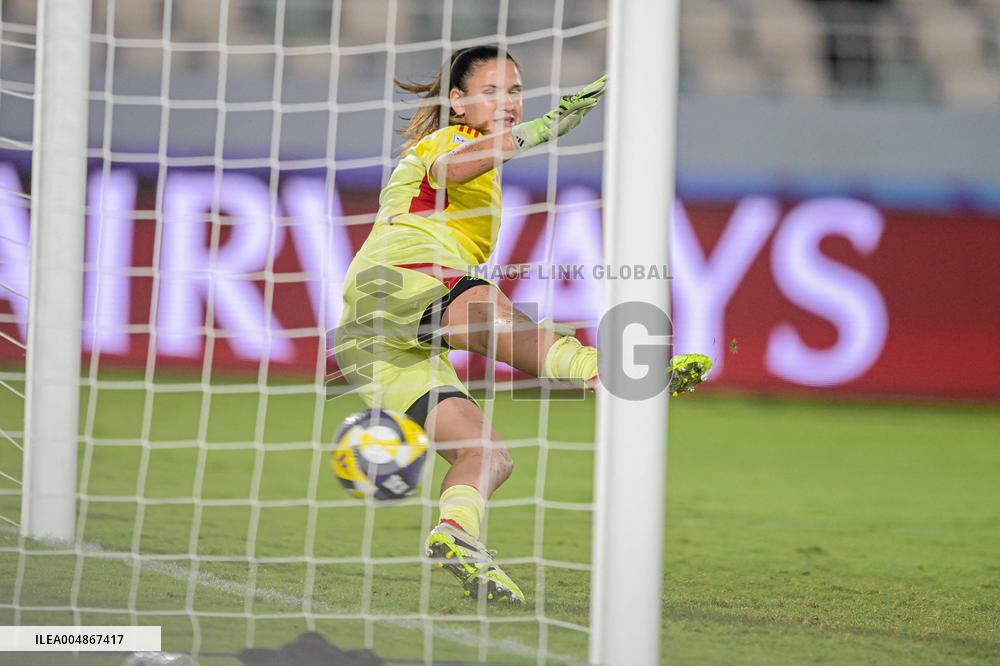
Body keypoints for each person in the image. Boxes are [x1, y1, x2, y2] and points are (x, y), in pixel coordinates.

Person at [332, 45, 710, 604]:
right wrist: (544, 127)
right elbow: (457, 165)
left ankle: (457, 536)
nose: (508, 102)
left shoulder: (469, 158)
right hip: (404, 279)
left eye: (515, 91)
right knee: (501, 317)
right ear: (457, 103)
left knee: (487, 454)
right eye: (492, 91)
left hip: (376, 332)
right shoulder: (447, 142)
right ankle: (624, 370)